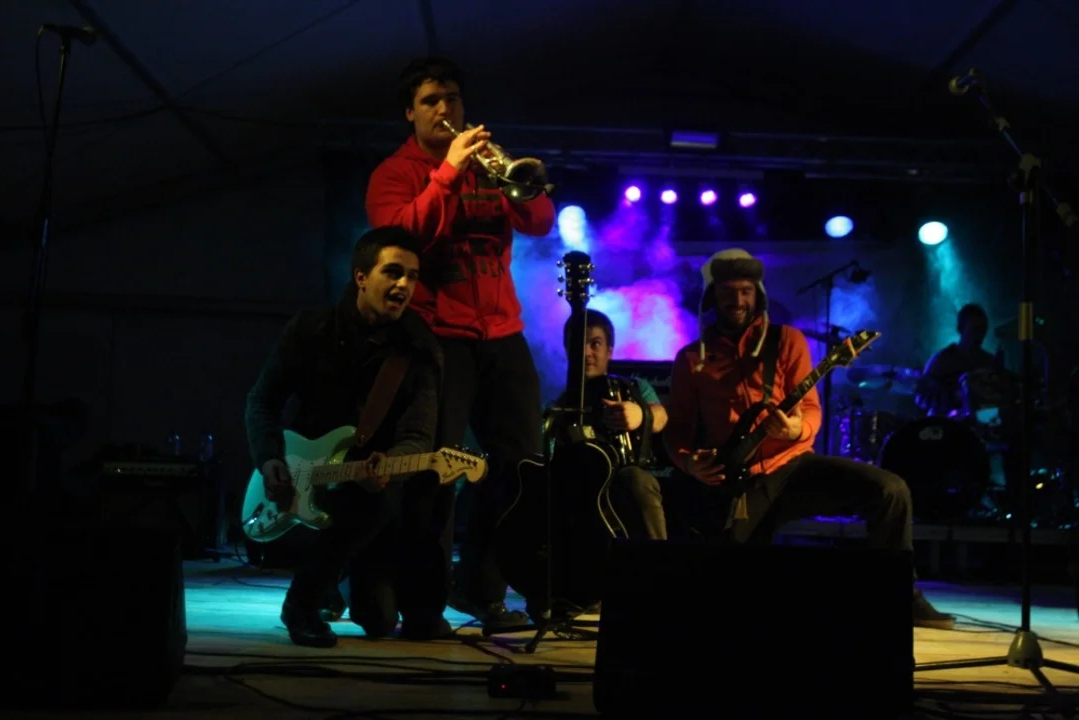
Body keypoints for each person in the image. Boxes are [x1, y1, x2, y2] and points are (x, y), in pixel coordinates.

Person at [662, 248, 956, 630]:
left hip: (793, 467)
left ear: (758, 294)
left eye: (746, 291)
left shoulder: (787, 341)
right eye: (728, 291)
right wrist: (689, 463)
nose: (738, 300)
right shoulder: (691, 358)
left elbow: (812, 409)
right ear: (712, 296)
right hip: (738, 482)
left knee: (890, 490)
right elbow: (677, 428)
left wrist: (795, 430)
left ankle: (901, 597)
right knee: (730, 599)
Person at [365, 57, 556, 631]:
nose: (444, 109)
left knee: (520, 468)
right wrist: (447, 173)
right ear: (409, 112)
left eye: (451, 97)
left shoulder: (486, 163)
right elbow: (402, 239)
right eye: (430, 100)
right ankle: (424, 604)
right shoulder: (393, 173)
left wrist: (515, 177)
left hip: (501, 332)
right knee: (436, 471)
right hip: (435, 335)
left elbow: (540, 220)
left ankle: (483, 591)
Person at [245, 226, 451, 647]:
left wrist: (390, 466)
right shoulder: (311, 329)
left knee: (378, 620)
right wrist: (270, 460)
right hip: (302, 475)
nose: (404, 285)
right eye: (393, 272)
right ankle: (302, 604)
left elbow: (419, 435)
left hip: (369, 487)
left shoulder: (419, 348)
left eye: (412, 276)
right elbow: (262, 401)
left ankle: (343, 578)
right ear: (361, 276)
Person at [545, 309, 668, 540]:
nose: (586, 352)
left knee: (636, 480)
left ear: (609, 351)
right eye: (578, 344)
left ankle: (657, 557)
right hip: (575, 485)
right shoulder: (559, 403)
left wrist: (640, 415)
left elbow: (661, 417)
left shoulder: (634, 387)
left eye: (595, 344)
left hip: (623, 478)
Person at [916, 304, 1008, 416]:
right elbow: (921, 397)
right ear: (960, 329)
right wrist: (955, 396)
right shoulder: (941, 360)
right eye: (974, 330)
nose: (979, 335)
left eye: (983, 330)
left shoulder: (989, 362)